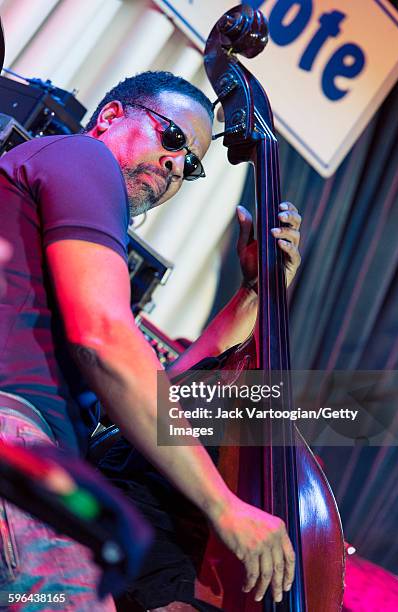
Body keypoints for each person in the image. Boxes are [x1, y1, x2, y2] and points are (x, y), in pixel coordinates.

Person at [0, 71, 301, 610]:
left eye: (191, 164)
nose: (176, 166)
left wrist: (254, 294)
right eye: (174, 138)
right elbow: (106, 340)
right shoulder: (81, 159)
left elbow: (160, 391)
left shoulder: (71, 235)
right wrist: (224, 506)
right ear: (112, 116)